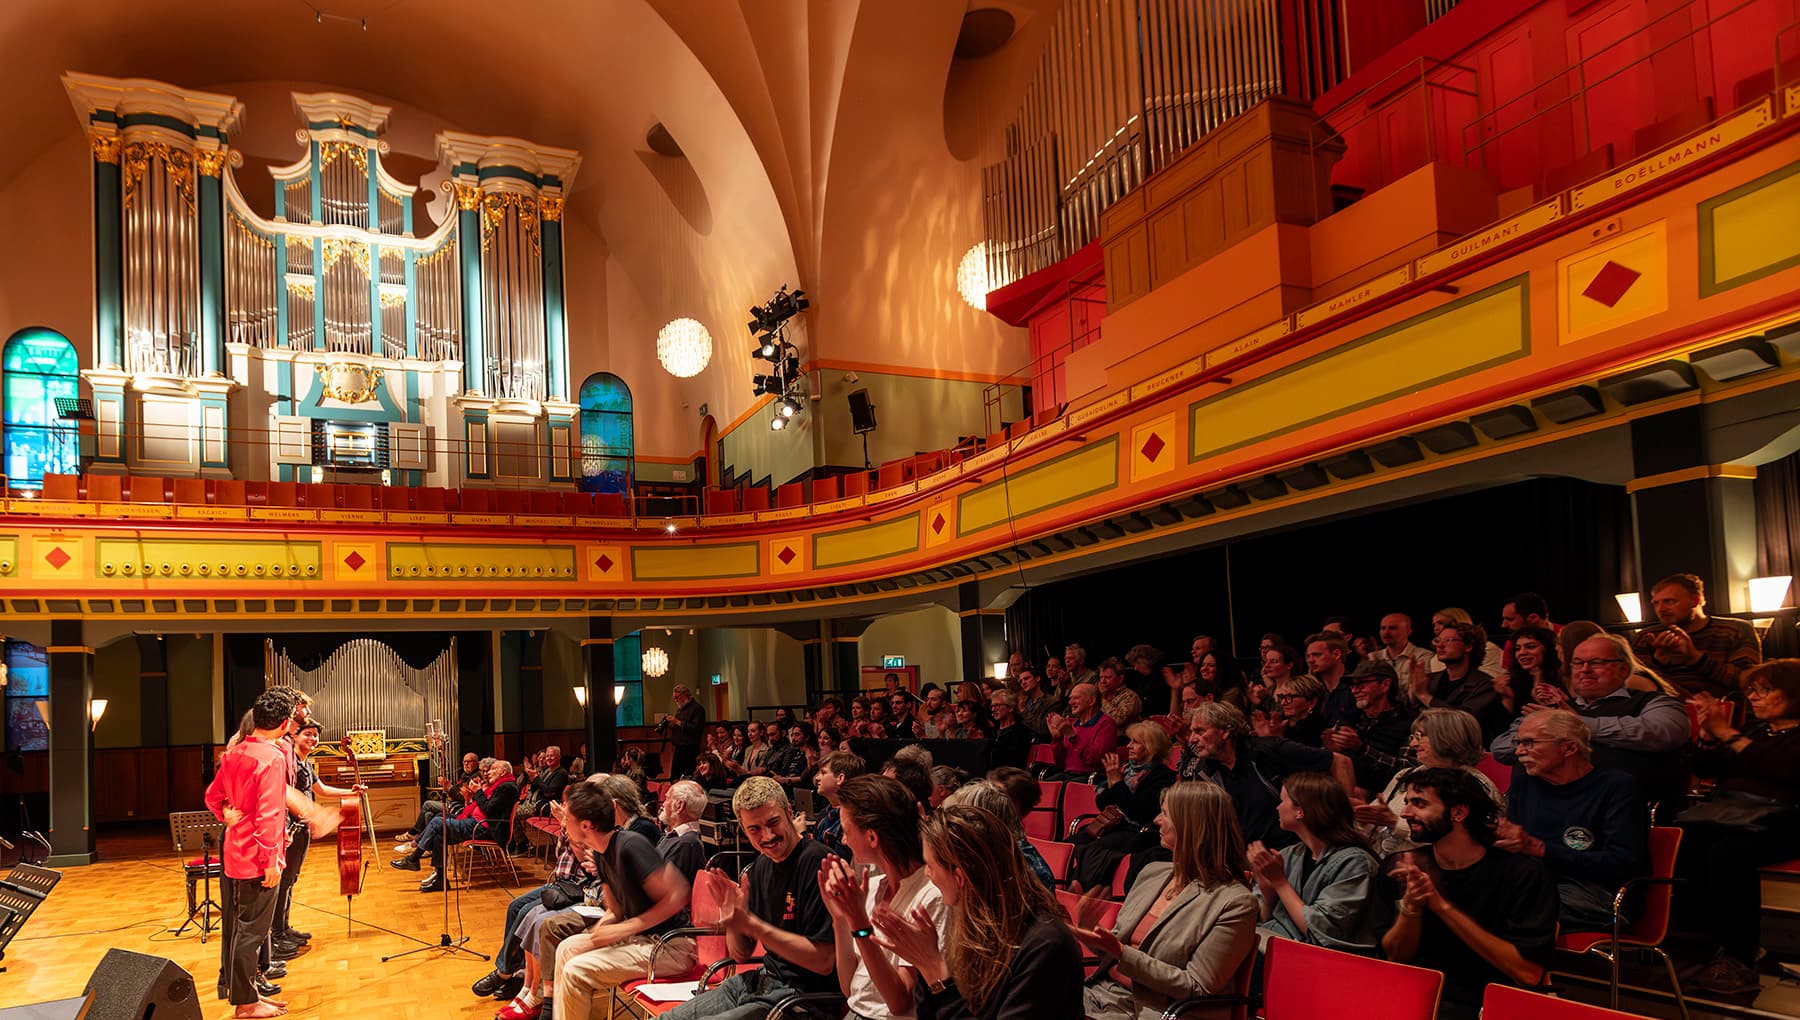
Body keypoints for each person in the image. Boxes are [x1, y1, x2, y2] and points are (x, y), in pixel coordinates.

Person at [870, 804, 1083, 1020]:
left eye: (930, 866)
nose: (927, 874)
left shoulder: (1046, 946)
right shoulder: (972, 923)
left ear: (960, 878)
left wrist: (933, 968)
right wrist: (926, 968)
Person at [1379, 768, 1559, 1020]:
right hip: (1420, 996)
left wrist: (1442, 906)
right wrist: (1411, 908)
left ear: (1459, 812)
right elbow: (1395, 957)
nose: (1405, 813)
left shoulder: (1522, 874)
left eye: (1419, 803)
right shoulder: (1402, 865)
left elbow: (1529, 973)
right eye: (1407, 802)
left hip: (1490, 1002)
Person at [1077, 783, 1258, 1020]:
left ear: (1191, 826)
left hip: (1157, 1011)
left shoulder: (1234, 902)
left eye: (1165, 814)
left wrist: (1121, 952)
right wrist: (1089, 930)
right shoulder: (1153, 873)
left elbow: (1197, 986)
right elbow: (1114, 949)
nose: (1156, 820)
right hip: (1102, 993)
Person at [663, 777, 839, 1020]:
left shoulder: (820, 864)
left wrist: (753, 925)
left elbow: (824, 961)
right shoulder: (761, 867)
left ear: (789, 811)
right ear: (743, 829)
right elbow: (740, 954)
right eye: (754, 829)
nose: (767, 836)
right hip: (759, 981)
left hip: (802, 999)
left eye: (773, 822)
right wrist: (735, 920)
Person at [1677, 660, 1800, 995]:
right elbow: (1705, 768)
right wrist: (1706, 732)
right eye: (1752, 691)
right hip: (1733, 812)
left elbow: (1781, 768)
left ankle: (1740, 955)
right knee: (1682, 841)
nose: (1755, 698)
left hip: (1786, 818)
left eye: (1765, 690)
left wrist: (1726, 733)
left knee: (1729, 853)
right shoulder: (1755, 731)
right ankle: (1699, 939)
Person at [543, 780, 696, 1020]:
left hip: (672, 947)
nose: (563, 822)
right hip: (643, 940)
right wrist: (599, 932)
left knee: (576, 971)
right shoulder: (602, 852)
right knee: (567, 948)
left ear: (585, 825)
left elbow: (677, 895)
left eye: (568, 818)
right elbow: (615, 910)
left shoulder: (631, 845)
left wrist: (627, 928)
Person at [1490, 633, 1689, 812]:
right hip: (1540, 811)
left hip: (1618, 812)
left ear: (1624, 669)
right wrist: (1543, 732)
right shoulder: (1552, 709)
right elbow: (1501, 749)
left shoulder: (1653, 701)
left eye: (1597, 662)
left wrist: (1577, 726)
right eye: (1577, 663)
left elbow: (1665, 732)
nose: (1585, 670)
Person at [1497, 711, 1647, 932]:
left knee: (1502, 904)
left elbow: (1622, 864)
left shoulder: (1617, 787)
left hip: (1597, 893)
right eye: (1518, 743)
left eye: (1529, 743)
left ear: (1568, 748)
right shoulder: (1524, 785)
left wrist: (1542, 849)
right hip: (1535, 883)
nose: (1519, 752)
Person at [819, 774, 950, 1020]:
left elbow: (899, 1003)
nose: (844, 840)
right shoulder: (874, 887)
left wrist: (859, 924)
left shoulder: (930, 895)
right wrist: (840, 920)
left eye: (847, 831)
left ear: (872, 837)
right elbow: (851, 990)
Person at [206, 687, 298, 1019]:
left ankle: (248, 993)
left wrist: (222, 814)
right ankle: (246, 1004)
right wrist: (272, 859)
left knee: (241, 928)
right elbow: (270, 813)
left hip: (234, 853)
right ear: (286, 724)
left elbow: (212, 795)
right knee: (252, 932)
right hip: (257, 859)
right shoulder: (273, 757)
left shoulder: (233, 752)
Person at [1248, 773, 1385, 953]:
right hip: (1274, 946)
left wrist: (1280, 883)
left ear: (1300, 811)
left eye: (1283, 801)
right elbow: (1264, 920)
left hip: (1323, 963)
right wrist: (1268, 892)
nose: (1278, 807)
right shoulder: (1289, 854)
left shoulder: (1355, 862)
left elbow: (1322, 931)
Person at [1186, 702, 1352, 848]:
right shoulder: (1203, 771)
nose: (1192, 739)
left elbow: (1340, 761)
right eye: (1192, 732)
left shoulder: (1270, 751)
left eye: (1199, 731)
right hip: (1249, 860)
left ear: (1225, 732)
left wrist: (1347, 814)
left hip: (1296, 850)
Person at [1354, 708, 1503, 858]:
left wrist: (1394, 822)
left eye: (1419, 737)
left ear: (1446, 737)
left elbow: (1468, 842)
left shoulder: (1475, 784)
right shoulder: (1406, 774)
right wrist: (1361, 815)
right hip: (1383, 860)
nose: (1412, 744)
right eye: (1413, 737)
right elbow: (1373, 821)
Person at [1071, 721, 1175, 890]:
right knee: (1071, 843)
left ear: (1151, 747)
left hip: (1135, 830)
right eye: (1130, 741)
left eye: (1136, 742)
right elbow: (1101, 803)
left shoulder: (1162, 777)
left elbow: (1137, 812)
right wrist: (1114, 783)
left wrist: (1117, 784)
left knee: (1090, 849)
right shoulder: (1127, 770)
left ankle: (1084, 889)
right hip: (1112, 823)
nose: (1129, 746)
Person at [392, 759, 520, 892]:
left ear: (503, 771)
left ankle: (414, 857)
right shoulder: (499, 785)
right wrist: (474, 794)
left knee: (437, 823)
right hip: (475, 822)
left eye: (493, 769)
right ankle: (440, 880)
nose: (488, 773)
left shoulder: (507, 787)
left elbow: (489, 809)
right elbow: (484, 806)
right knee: (439, 822)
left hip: (484, 828)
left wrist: (478, 792)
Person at [1630, 572, 1762, 697]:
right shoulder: (1647, 636)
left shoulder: (1734, 630)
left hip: (1725, 709)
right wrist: (1658, 662)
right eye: (1656, 604)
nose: (1661, 609)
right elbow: (1635, 686)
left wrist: (1696, 659)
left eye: (1669, 601)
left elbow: (1749, 681)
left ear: (1695, 600)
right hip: (1666, 710)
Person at [1319, 661, 1413, 796]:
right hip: (1341, 790)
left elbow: (1407, 768)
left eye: (1361, 684)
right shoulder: (1350, 719)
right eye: (1352, 685)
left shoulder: (1408, 722)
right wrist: (1329, 749)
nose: (1355, 690)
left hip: (1383, 795)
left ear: (1385, 684)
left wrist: (1362, 750)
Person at [1417, 621, 1508, 743]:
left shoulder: (1485, 685)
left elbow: (1463, 720)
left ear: (1468, 646)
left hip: (1461, 748)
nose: (1440, 645)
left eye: (1448, 640)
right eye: (1438, 640)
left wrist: (1425, 696)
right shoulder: (1429, 679)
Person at [1044, 683, 1116, 780]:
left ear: (1091, 701)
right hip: (1068, 775)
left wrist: (1072, 736)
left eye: (1076, 698)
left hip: (1091, 777)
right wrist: (1057, 739)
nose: (1070, 702)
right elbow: (1060, 763)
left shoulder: (1106, 724)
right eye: (1070, 698)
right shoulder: (1071, 724)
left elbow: (1093, 760)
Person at [811, 750, 864, 857]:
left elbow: (838, 859)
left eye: (823, 772)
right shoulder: (823, 814)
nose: (817, 778)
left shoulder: (853, 817)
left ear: (840, 778)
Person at [1371, 613, 1434, 701]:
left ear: (1408, 631)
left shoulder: (1423, 656)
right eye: (1383, 628)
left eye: (1393, 628)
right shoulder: (1374, 657)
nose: (1386, 632)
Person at [1301, 632, 1356, 728]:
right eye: (1308, 656)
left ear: (1336, 654)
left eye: (1316, 655)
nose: (1310, 660)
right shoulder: (1311, 690)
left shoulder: (1356, 687)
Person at [1258, 675, 1327, 746]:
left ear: (1312, 702)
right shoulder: (1281, 723)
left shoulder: (1315, 728)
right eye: (1282, 697)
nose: (1282, 703)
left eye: (1289, 697)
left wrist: (1275, 737)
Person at [660, 684, 707, 779]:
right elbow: (679, 726)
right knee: (675, 777)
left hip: (690, 749)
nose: (676, 700)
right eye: (674, 698)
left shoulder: (697, 709)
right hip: (679, 747)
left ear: (685, 695)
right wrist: (670, 724)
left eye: (678, 697)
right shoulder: (681, 709)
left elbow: (695, 728)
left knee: (688, 777)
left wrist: (677, 721)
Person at [985, 690, 1033, 770]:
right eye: (992, 706)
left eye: (997, 705)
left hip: (1010, 775)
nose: (993, 709)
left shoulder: (1021, 731)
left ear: (1010, 708)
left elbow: (1014, 759)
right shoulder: (991, 731)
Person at [1014, 666, 1063, 740]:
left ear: (1037, 678)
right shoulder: (1022, 703)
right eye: (1021, 681)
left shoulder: (1052, 702)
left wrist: (1024, 711)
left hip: (1042, 744)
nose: (1023, 683)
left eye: (1026, 678)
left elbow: (1044, 728)